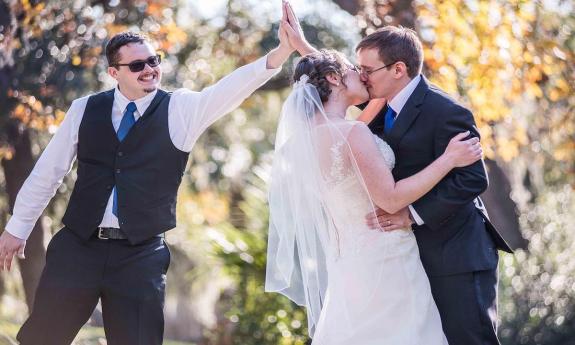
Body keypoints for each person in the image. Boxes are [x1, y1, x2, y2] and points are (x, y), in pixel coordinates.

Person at [0, 18, 294, 344]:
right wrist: (17, 228)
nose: (150, 69)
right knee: (41, 338)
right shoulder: (85, 109)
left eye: (154, 60)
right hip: (78, 247)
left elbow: (229, 89)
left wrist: (279, 53)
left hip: (139, 256)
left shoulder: (181, 109)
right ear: (114, 73)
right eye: (138, 64)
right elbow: (49, 172)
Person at [276, 2, 513, 344]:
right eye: (356, 69)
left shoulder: (446, 111)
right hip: (387, 255)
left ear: (398, 69)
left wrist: (412, 215)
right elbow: (335, 90)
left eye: (367, 70)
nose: (362, 75)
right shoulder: (365, 115)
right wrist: (306, 53)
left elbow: (474, 178)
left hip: (455, 254)